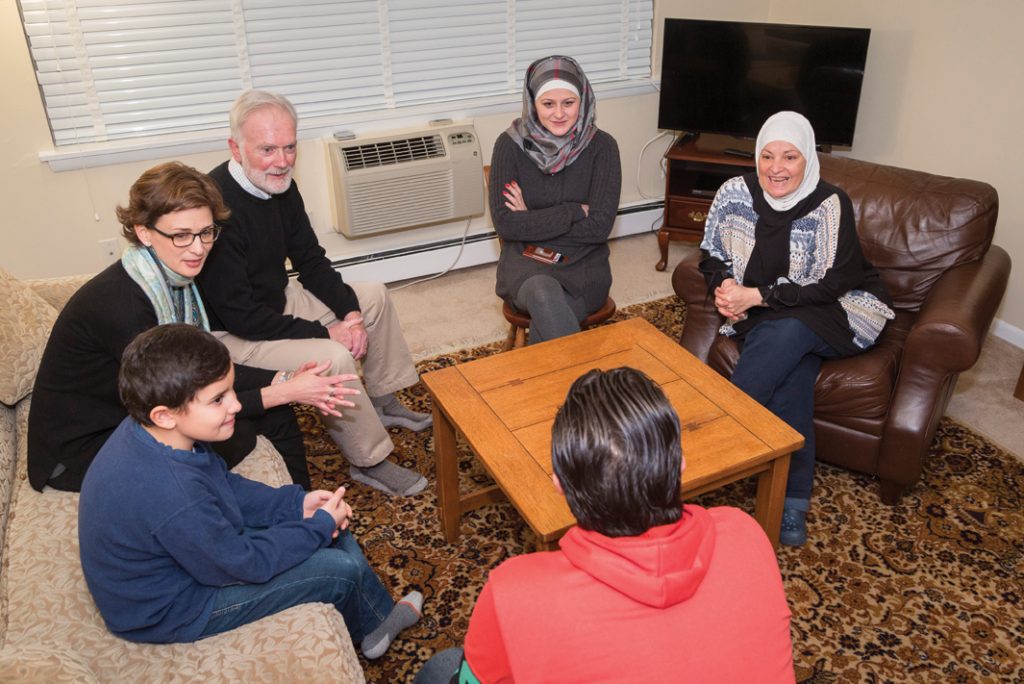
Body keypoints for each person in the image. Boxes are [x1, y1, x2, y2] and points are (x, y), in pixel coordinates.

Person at [415, 367, 795, 683]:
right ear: (680, 466)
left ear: (558, 484)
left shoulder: (511, 590)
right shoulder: (746, 532)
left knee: (442, 667)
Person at [78, 323, 423, 655]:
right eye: (218, 400)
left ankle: (375, 621)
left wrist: (295, 504)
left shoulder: (159, 433)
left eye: (230, 390)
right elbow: (240, 564)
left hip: (191, 557)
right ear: (166, 414)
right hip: (174, 608)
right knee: (339, 569)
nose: (236, 405)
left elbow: (222, 483)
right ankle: (374, 622)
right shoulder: (172, 491)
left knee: (326, 519)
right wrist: (315, 528)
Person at [27, 162, 354, 491]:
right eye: (181, 235)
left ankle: (300, 509)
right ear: (144, 231)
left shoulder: (171, 281)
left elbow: (200, 370)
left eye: (206, 232)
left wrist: (281, 379)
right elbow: (184, 396)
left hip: (132, 410)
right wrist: (278, 392)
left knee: (273, 414)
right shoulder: (124, 305)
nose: (198, 248)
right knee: (233, 434)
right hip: (80, 451)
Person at [197, 90, 430, 497]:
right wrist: (327, 333)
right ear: (236, 147)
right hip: (236, 335)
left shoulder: (281, 185)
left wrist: (350, 315)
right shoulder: (215, 209)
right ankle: (370, 459)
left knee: (371, 296)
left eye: (289, 147)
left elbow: (311, 259)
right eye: (267, 149)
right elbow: (241, 316)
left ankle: (383, 399)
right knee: (334, 357)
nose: (282, 161)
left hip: (275, 300)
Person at [698, 111, 894, 546]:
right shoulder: (735, 192)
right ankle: (793, 501)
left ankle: (711, 443)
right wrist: (725, 285)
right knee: (793, 375)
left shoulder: (829, 202)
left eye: (790, 156)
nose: (776, 167)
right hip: (771, 314)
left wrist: (757, 297)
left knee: (784, 334)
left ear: (808, 159)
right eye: (767, 156)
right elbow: (711, 254)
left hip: (839, 309)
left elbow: (832, 283)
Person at [489, 55, 621, 344]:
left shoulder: (603, 148)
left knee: (550, 317)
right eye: (548, 104)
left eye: (568, 103)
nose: (559, 113)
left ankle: (546, 387)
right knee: (544, 294)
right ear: (533, 104)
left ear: (583, 101)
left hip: (584, 265)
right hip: (526, 262)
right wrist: (573, 210)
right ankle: (582, 387)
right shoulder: (509, 146)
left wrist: (530, 217)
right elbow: (507, 225)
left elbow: (599, 227)